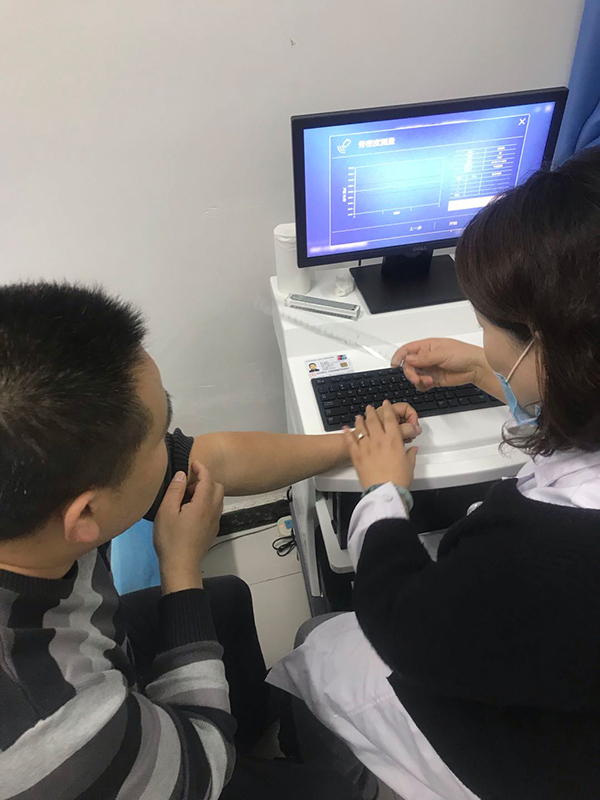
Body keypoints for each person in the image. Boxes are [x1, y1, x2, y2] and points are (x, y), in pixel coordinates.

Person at [0, 282, 420, 799]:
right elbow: (199, 767)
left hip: (94, 645)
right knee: (325, 790)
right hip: (146, 765)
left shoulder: (36, 497)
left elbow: (211, 461)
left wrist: (354, 444)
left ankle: (252, 724)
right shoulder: (51, 727)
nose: (176, 449)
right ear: (85, 514)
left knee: (227, 601)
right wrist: (181, 566)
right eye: (159, 438)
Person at [269, 146, 600, 800]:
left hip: (533, 758)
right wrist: (487, 371)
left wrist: (383, 494)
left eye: (486, 329)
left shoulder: (539, 552)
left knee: (316, 650)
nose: (486, 345)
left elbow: (403, 625)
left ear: (547, 345)